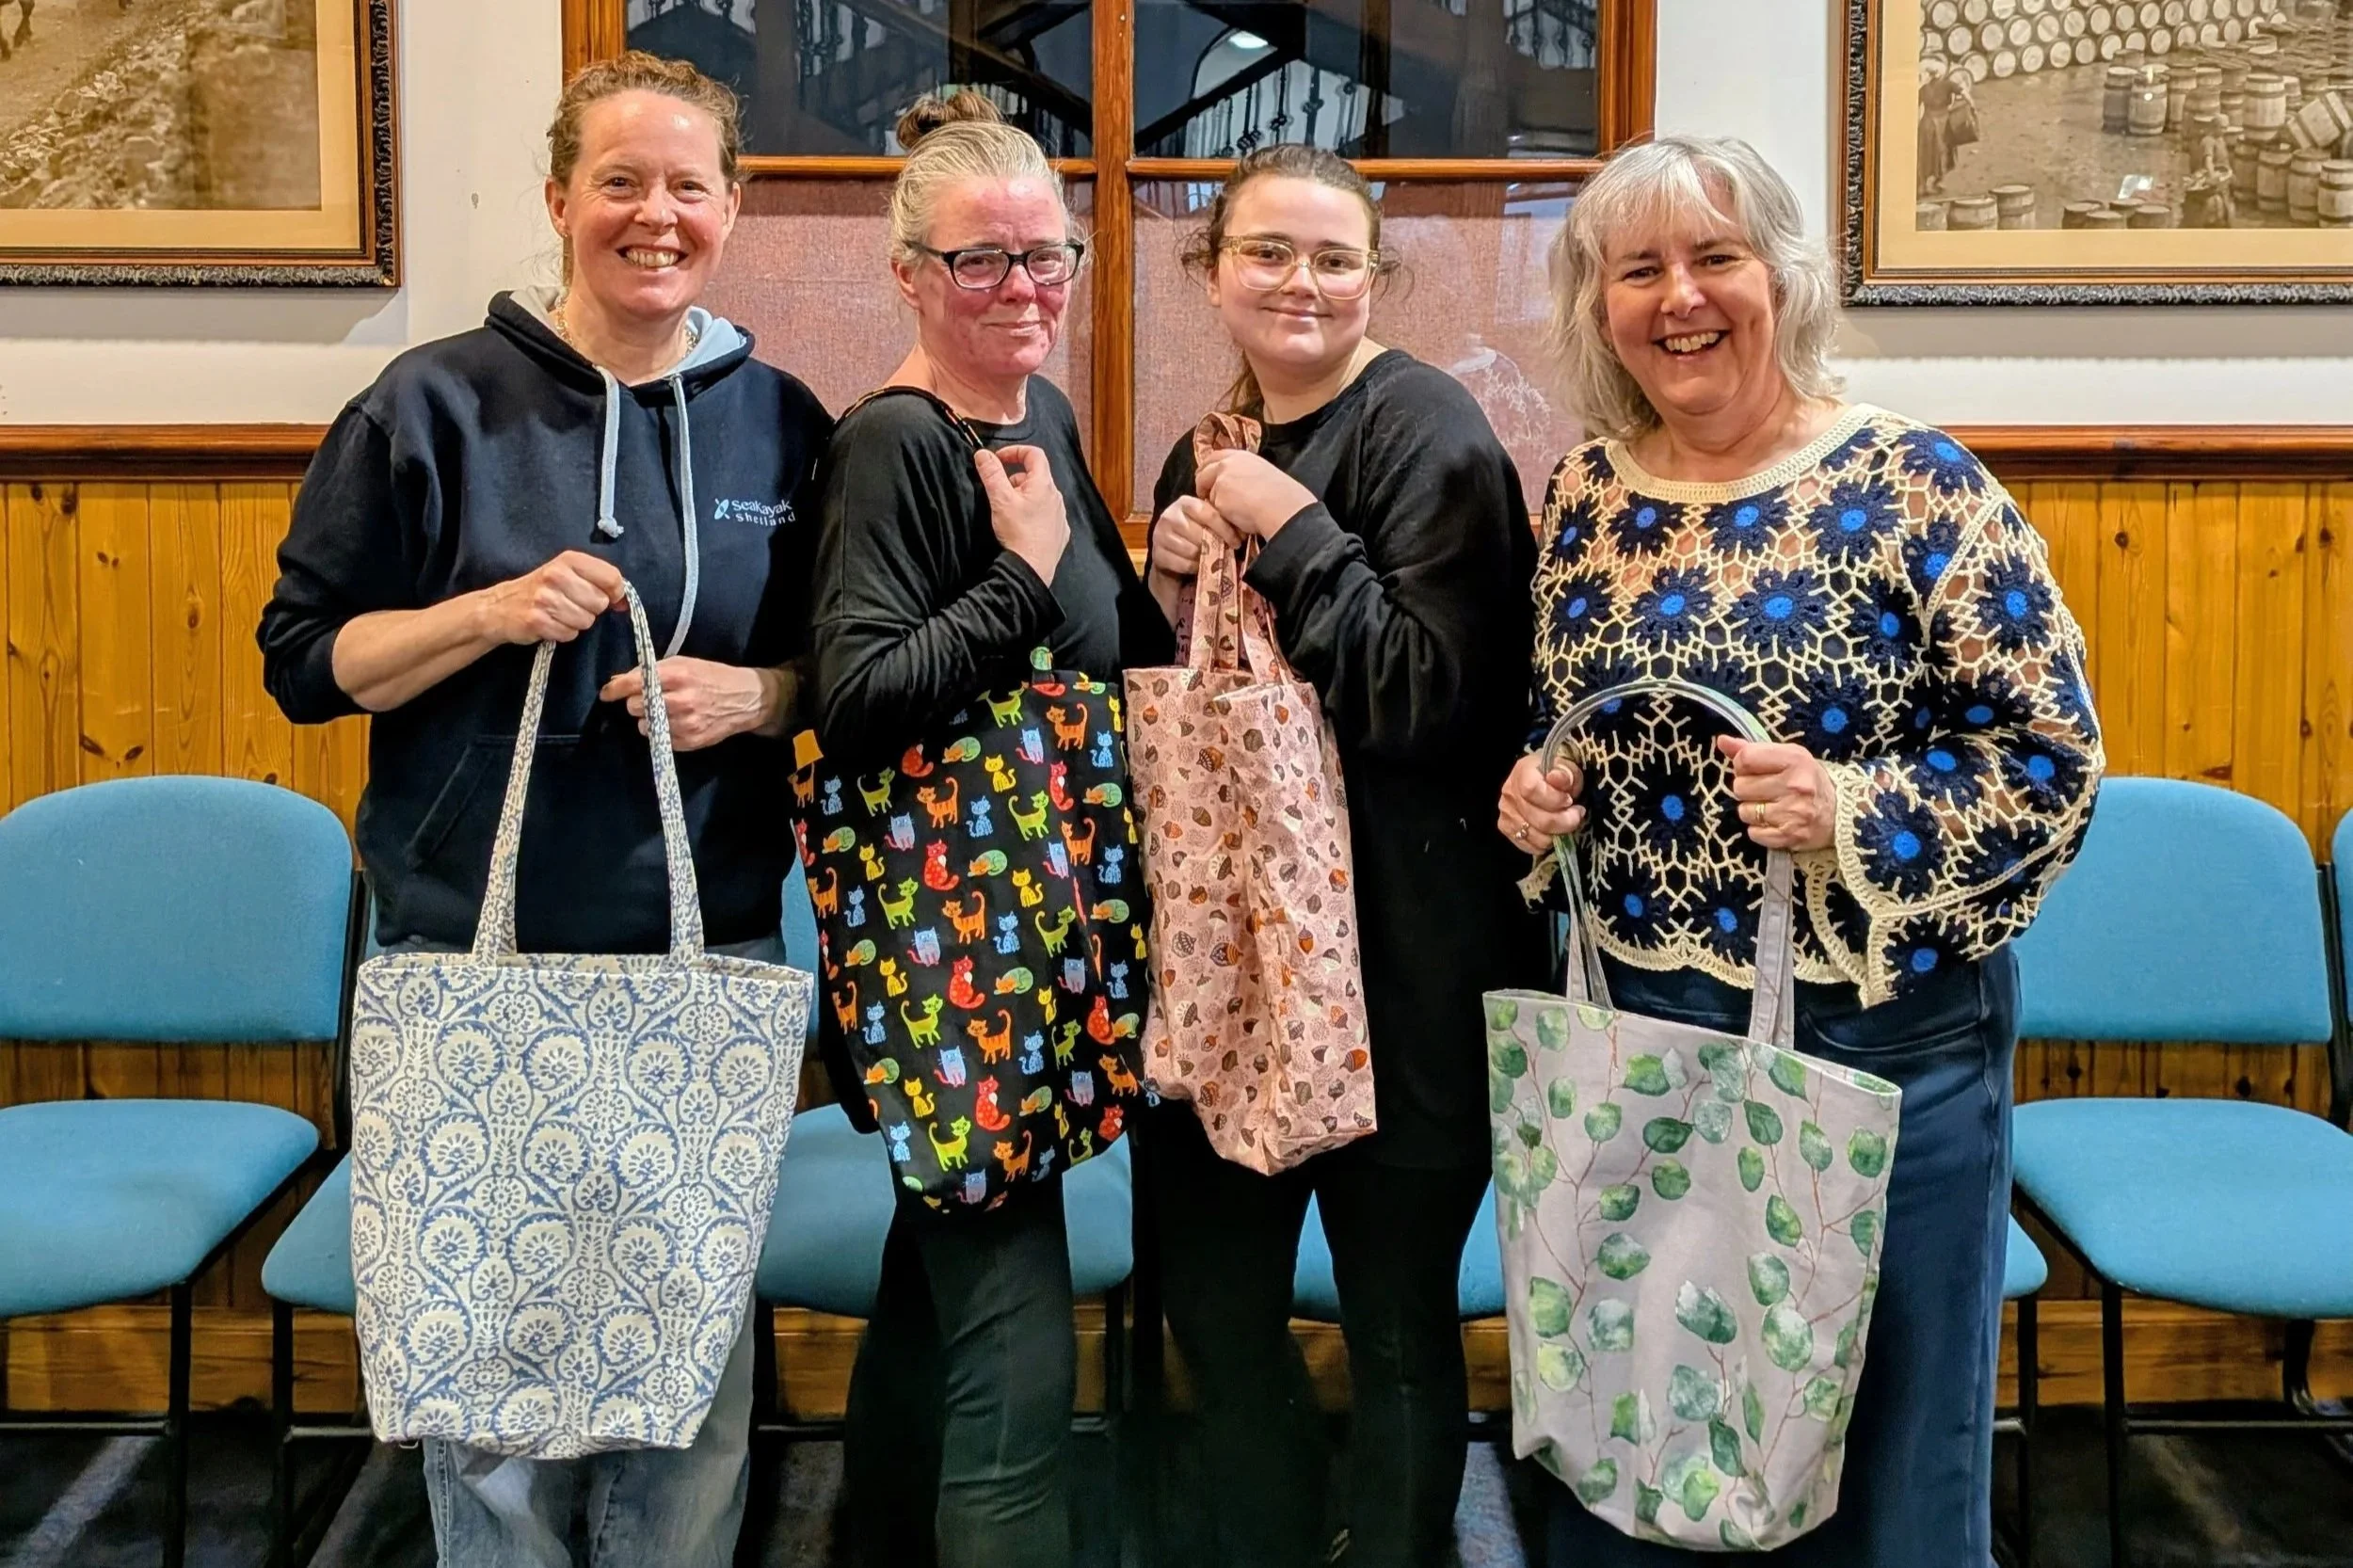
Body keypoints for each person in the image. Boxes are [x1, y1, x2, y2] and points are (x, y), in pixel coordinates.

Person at [1495, 135, 2104, 1567]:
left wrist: (1851, 809)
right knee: (1646, 1422)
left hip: (1875, 1047)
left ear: (1782, 278)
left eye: (1716, 258)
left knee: (1881, 1455)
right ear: (1597, 304)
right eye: (1638, 269)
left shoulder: (1915, 483)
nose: (1680, 297)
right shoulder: (1585, 492)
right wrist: (1537, 797)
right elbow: (1564, 717)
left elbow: (2051, 759)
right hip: (1638, 1037)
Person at [258, 52, 830, 1568]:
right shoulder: (429, 403)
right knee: (492, 1374)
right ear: (560, 197)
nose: (656, 215)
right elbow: (306, 662)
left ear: (731, 207)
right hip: (472, 957)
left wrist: (758, 695)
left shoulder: (784, 421)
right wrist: (486, 614)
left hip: (701, 959)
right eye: (620, 181)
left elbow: (836, 671)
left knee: (689, 1364)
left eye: (688, 185)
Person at [1139, 144, 1549, 1568]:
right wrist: (1170, 572)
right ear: (1213, 271)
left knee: (1394, 1321)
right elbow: (1182, 712)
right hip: (1236, 971)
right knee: (1215, 1307)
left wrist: (1292, 527)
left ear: (1377, 277)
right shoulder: (1210, 442)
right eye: (1267, 252)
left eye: (1333, 258)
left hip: (1411, 973)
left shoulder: (1431, 432)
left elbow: (1428, 701)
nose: (1299, 282)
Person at [809, 90, 1168, 1568]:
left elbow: (1103, 645)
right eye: (982, 261)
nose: (1024, 288)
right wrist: (1018, 577)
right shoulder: (893, 443)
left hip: (1042, 929)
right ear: (909, 273)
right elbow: (855, 704)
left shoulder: (1044, 416)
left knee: (937, 1279)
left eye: (1046, 256)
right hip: (950, 957)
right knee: (1017, 1360)